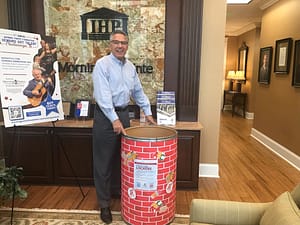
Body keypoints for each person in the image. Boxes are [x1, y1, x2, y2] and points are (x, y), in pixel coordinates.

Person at [92, 30, 156, 224]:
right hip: (105, 117)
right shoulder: (102, 65)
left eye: (124, 42)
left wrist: (148, 111)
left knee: (124, 160)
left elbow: (138, 91)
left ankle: (119, 193)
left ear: (127, 45)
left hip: (123, 114)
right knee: (103, 162)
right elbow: (103, 97)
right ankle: (104, 204)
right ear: (110, 45)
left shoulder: (130, 67)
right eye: (116, 42)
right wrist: (113, 119)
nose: (120, 46)